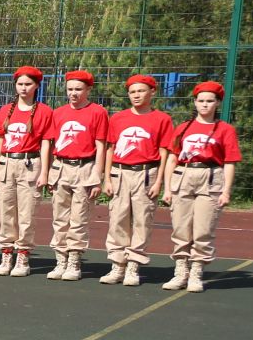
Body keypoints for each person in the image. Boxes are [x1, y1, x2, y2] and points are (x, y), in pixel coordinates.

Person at [160, 81, 243, 292]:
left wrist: (226, 190)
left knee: (203, 228)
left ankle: (196, 272)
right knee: (180, 227)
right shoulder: (183, 127)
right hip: (184, 175)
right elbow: (172, 158)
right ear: (195, 102)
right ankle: (180, 272)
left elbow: (230, 162)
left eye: (210, 101)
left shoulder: (225, 130)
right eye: (201, 101)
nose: (205, 105)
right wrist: (167, 188)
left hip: (211, 177)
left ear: (217, 103)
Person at [100, 74, 175, 287]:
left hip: (146, 174)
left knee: (142, 220)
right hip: (120, 173)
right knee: (118, 219)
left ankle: (134, 265)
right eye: (132, 92)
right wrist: (107, 178)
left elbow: (164, 153)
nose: (136, 95)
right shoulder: (118, 118)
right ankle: (118, 265)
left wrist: (159, 181)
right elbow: (110, 148)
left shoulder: (162, 119)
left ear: (152, 92)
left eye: (141, 91)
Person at [45, 70, 111, 281]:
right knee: (59, 218)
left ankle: (74, 260)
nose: (73, 93)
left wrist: (97, 176)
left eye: (78, 89)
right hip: (61, 167)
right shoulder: (59, 113)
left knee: (79, 218)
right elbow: (51, 143)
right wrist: (48, 174)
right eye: (70, 89)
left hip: (85, 168)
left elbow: (101, 146)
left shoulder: (98, 112)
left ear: (88, 90)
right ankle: (60, 260)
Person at [0, 66, 53, 276]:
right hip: (6, 164)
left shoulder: (44, 112)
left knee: (26, 213)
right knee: (5, 211)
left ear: (36, 86)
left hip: (30, 164)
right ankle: (6, 254)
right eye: (20, 84)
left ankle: (23, 257)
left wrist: (45, 172)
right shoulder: (5, 110)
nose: (24, 88)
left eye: (28, 84)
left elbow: (46, 144)